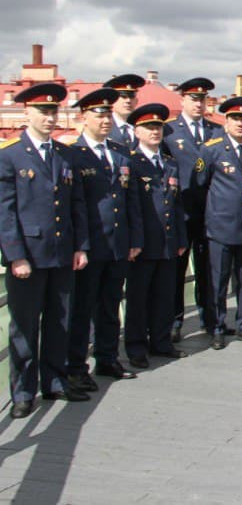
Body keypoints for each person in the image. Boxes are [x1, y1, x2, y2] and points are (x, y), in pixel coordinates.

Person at [1, 83, 89, 419]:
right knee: (24, 327)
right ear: (27, 113)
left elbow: (75, 205)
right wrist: (16, 256)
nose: (50, 117)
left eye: (54, 111)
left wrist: (80, 246)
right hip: (29, 256)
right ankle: (24, 390)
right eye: (43, 111)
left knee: (59, 322)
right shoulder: (9, 155)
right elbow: (5, 212)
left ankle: (54, 381)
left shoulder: (64, 154)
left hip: (62, 252)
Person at [67, 88, 138, 391]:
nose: (106, 119)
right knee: (83, 309)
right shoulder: (73, 154)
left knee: (110, 305)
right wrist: (79, 246)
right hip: (91, 245)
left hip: (118, 244)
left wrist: (134, 239)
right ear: (84, 117)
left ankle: (108, 357)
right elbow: (73, 205)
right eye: (99, 114)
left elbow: (130, 200)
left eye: (109, 114)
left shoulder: (120, 153)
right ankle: (76, 367)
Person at [194, 96, 242, 350]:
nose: (240, 124)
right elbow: (200, 185)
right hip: (220, 228)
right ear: (226, 121)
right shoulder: (211, 149)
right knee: (218, 281)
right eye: (236, 119)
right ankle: (216, 327)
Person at [125, 103, 189, 368]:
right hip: (143, 244)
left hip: (168, 242)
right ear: (136, 131)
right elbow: (131, 208)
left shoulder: (169, 163)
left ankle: (161, 342)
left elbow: (176, 206)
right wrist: (134, 242)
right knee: (139, 298)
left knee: (165, 295)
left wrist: (182, 239)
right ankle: (137, 347)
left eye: (158, 127)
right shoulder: (131, 163)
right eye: (149, 127)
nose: (155, 131)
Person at [162, 77, 219, 341]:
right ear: (182, 99)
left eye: (202, 99)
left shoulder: (216, 131)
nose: (198, 104)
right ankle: (174, 321)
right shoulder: (169, 132)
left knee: (208, 269)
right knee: (178, 269)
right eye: (193, 99)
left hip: (210, 212)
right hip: (181, 211)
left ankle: (210, 318)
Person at [104, 73, 144, 148]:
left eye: (131, 96)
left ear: (136, 101)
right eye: (123, 96)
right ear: (112, 100)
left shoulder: (144, 126)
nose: (128, 101)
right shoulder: (103, 126)